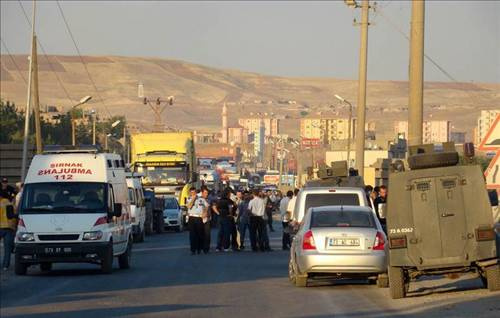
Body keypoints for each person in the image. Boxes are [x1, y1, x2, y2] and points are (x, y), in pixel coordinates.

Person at [187, 187, 208, 255]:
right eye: (192, 192)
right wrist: (193, 198)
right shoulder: (188, 199)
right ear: (190, 193)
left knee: (200, 234)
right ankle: (193, 250)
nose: (193, 194)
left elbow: (207, 206)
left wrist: (205, 212)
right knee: (192, 235)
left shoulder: (201, 199)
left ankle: (199, 249)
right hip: (192, 217)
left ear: (196, 192)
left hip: (199, 218)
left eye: (194, 192)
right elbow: (189, 206)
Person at [0, 191, 17, 270]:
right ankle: (5, 266)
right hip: (8, 228)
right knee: (7, 249)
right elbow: (14, 215)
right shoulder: (9, 203)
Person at [199, 187, 212, 254]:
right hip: (200, 219)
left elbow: (210, 209)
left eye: (207, 193)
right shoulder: (199, 200)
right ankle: (200, 247)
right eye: (205, 193)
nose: (206, 194)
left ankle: (206, 248)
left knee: (207, 234)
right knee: (201, 234)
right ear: (202, 193)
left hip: (207, 219)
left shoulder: (209, 200)